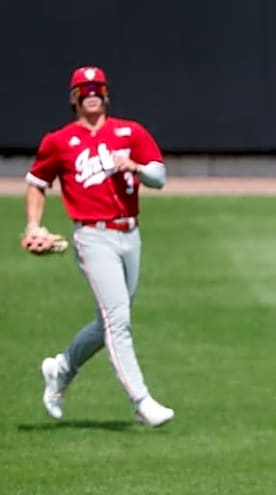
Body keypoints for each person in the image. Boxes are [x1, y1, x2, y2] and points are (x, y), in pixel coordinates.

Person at [22, 66, 175, 427]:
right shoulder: (59, 141)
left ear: (106, 95)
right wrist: (33, 225)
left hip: (130, 233)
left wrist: (134, 166)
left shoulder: (129, 132)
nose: (91, 93)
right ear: (73, 98)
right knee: (118, 321)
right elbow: (36, 182)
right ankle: (141, 401)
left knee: (107, 321)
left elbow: (160, 177)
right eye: (84, 88)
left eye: (97, 88)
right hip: (92, 235)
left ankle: (61, 368)